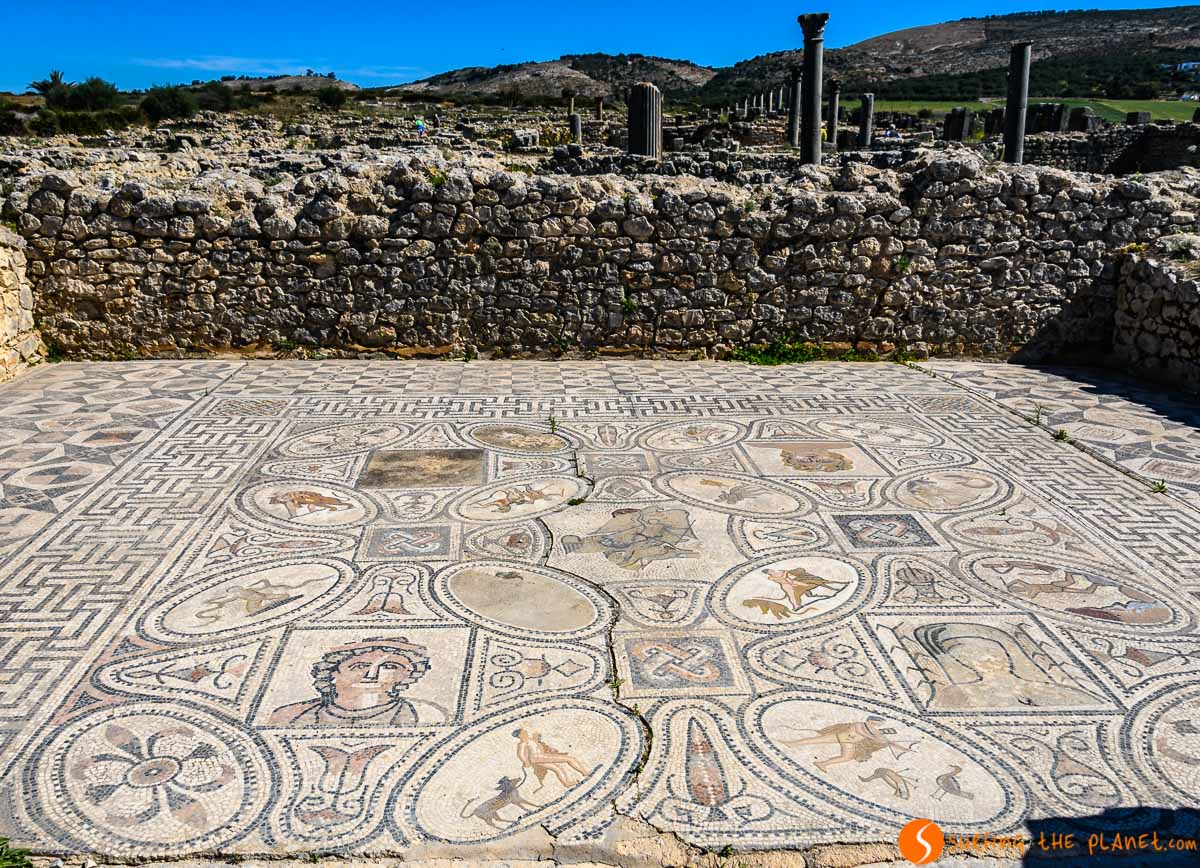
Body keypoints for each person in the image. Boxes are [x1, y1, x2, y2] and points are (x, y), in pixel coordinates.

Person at [269, 637, 443, 725]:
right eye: (359, 666)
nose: (372, 675)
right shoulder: (289, 716)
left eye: (389, 666)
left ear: (405, 675)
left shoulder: (427, 715)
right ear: (332, 673)